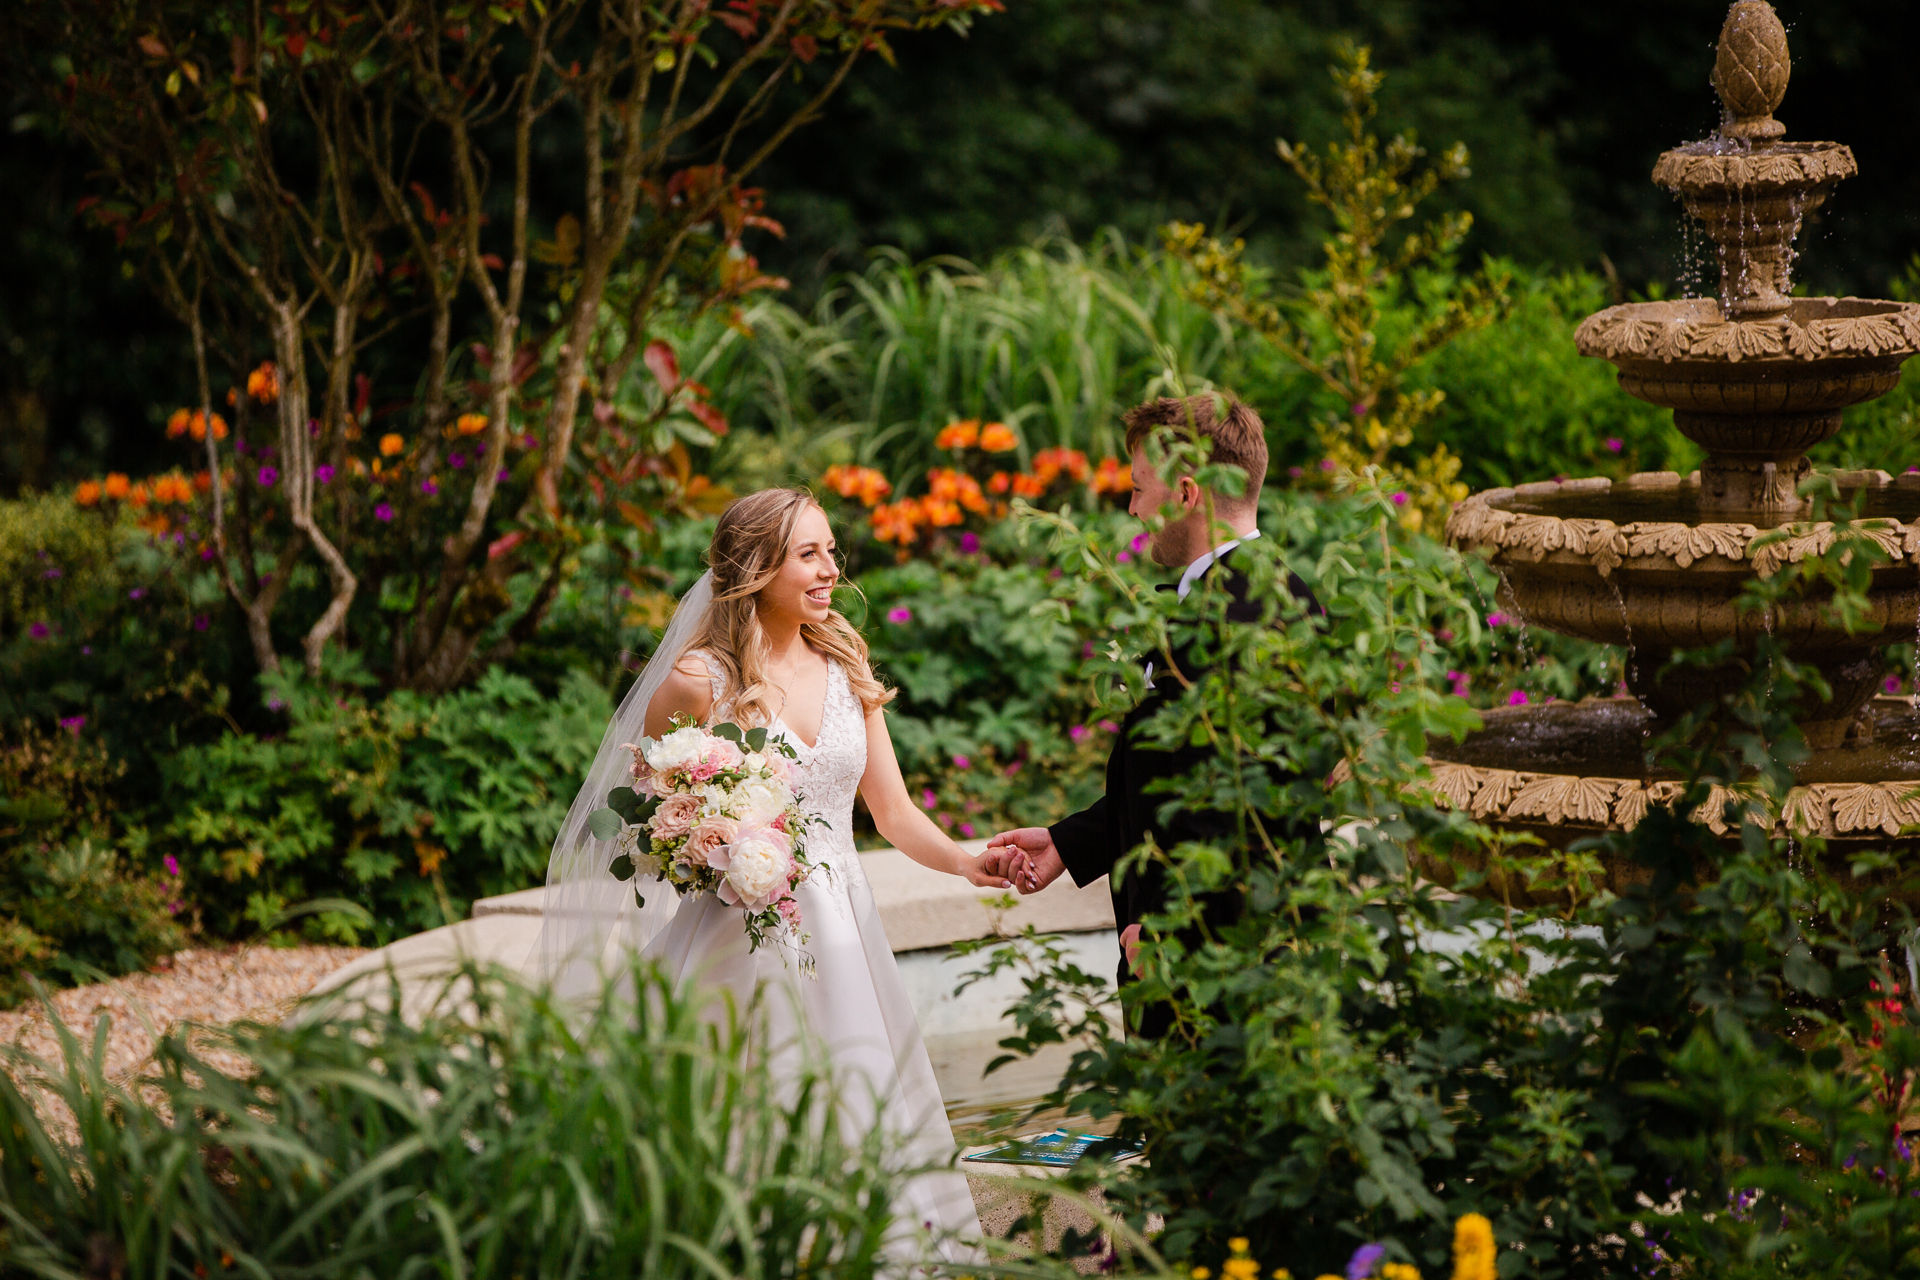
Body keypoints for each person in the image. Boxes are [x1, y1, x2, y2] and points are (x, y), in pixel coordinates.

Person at [537, 488, 1006, 1252]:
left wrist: (965, 860)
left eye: (831, 551)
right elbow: (649, 818)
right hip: (739, 936)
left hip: (844, 929)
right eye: (808, 554)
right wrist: (713, 842)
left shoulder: (847, 661)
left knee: (855, 1097)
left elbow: (891, 812)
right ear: (756, 568)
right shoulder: (699, 680)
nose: (831, 570)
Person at [979, 393, 1311, 1033]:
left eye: (1138, 490)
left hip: (1219, 957)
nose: (1133, 509)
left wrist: (1171, 926)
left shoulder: (1242, 614)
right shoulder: (1260, 591)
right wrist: (1070, 844)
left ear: (1188, 493)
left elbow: (1248, 799)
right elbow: (1180, 775)